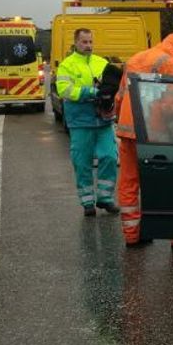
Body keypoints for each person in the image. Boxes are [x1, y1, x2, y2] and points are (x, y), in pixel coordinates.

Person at [114, 32, 173, 248]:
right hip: (154, 132)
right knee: (170, 183)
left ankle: (132, 235)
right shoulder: (171, 63)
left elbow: (120, 95)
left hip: (129, 129)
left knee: (129, 182)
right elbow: (170, 105)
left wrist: (119, 118)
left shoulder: (136, 58)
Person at [55, 28, 119, 216]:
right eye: (84, 42)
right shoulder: (67, 65)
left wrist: (109, 93)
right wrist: (90, 92)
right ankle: (87, 202)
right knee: (82, 163)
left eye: (90, 42)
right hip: (81, 122)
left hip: (103, 121)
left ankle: (105, 199)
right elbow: (64, 90)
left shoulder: (102, 62)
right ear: (76, 43)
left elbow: (113, 83)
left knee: (110, 158)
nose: (88, 45)